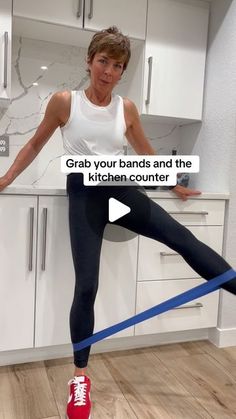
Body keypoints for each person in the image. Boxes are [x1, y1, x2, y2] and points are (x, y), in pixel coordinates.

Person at [0, 26, 235, 419]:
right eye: (103, 61)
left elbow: (144, 151)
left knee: (183, 239)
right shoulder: (64, 102)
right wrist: (6, 179)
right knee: (88, 283)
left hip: (121, 191)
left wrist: (172, 182)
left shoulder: (126, 109)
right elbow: (34, 143)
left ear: (123, 72)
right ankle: (79, 379)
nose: (108, 71)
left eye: (117, 66)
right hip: (85, 195)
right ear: (90, 60)